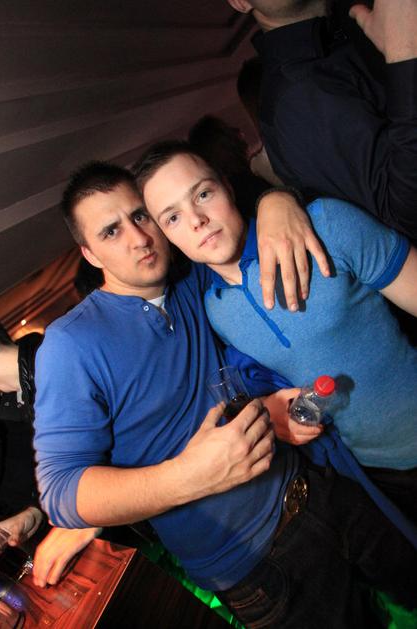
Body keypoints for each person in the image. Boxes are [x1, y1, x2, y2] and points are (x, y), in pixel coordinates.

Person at [34, 160, 417, 629]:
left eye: (141, 216)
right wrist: (187, 477)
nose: (138, 238)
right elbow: (61, 489)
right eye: (111, 232)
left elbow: (229, 227)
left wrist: (277, 200)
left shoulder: (190, 283)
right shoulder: (71, 342)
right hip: (258, 567)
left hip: (319, 488)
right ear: (90, 254)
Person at [136, 140, 417, 526]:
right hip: (376, 477)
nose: (196, 220)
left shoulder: (325, 226)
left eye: (202, 194)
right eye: (172, 217)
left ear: (227, 186)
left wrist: (278, 197)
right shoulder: (216, 312)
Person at [227, 0, 417, 242]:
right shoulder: (295, 95)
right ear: (241, 2)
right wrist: (406, 54)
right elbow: (404, 218)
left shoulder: (343, 28)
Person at [0, 322, 100, 588]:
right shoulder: (8, 406)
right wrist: (34, 511)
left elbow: (124, 440)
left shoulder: (60, 355)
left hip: (151, 523)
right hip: (76, 553)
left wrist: (89, 511)